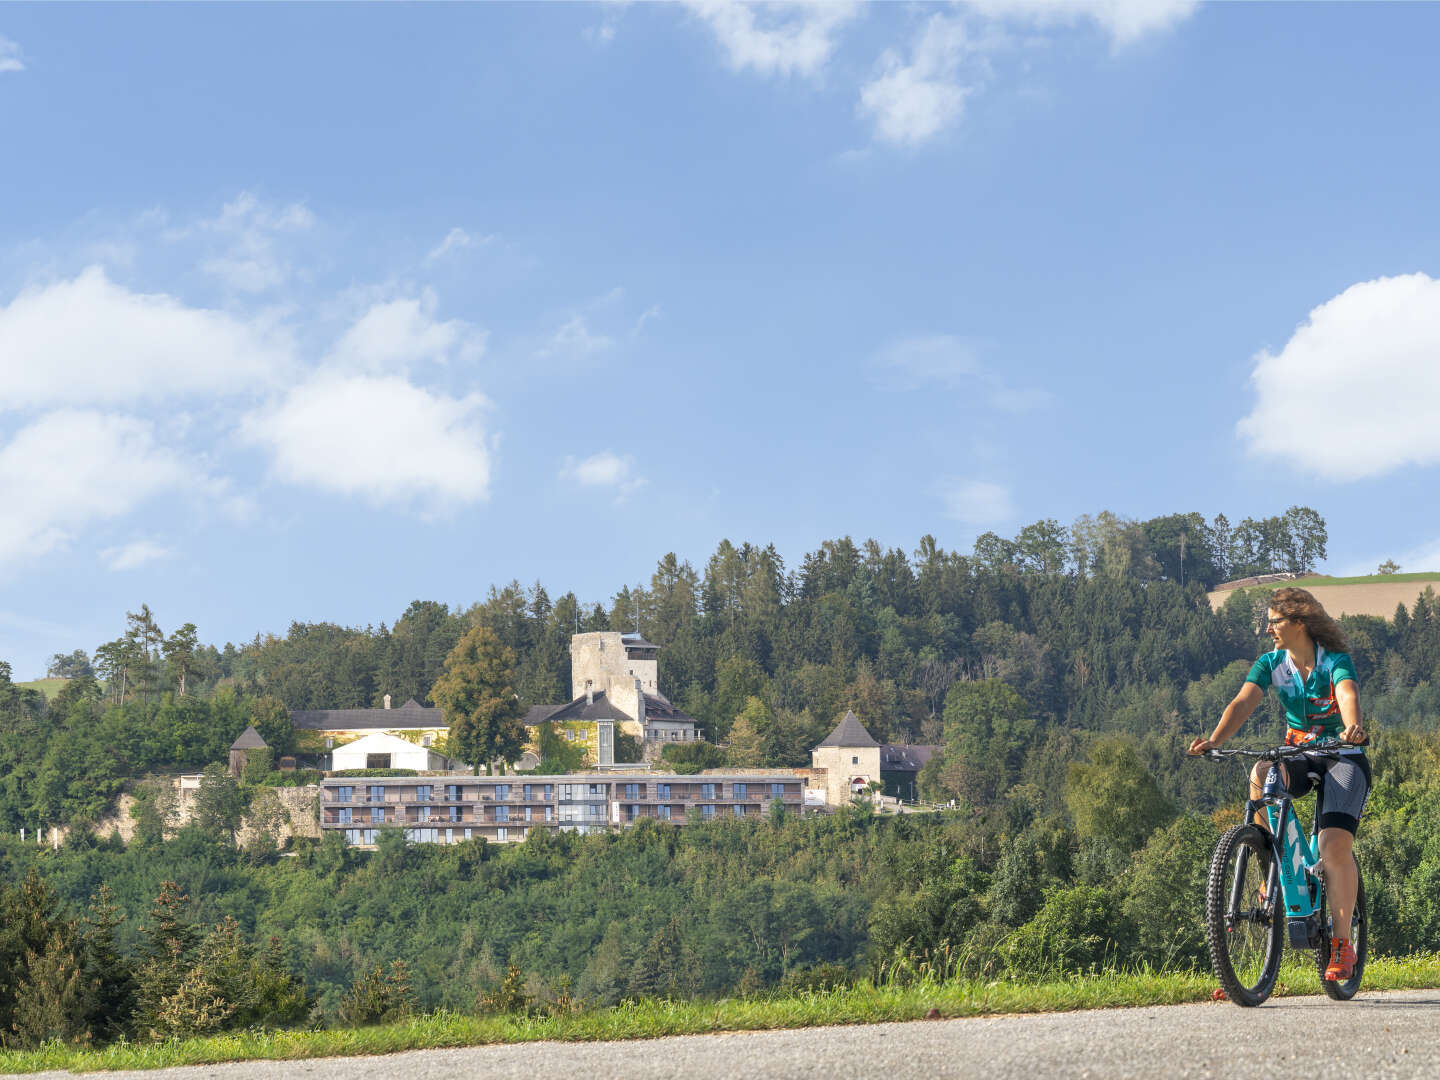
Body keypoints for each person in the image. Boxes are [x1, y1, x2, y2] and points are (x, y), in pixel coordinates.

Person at [1188, 587, 1369, 983]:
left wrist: (1352, 724)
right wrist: (1215, 740)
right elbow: (1242, 702)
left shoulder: (1333, 661)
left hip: (1343, 757)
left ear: (1299, 623)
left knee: (1333, 845)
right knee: (1260, 773)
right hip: (1298, 756)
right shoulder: (1271, 663)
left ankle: (1341, 944)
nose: (1268, 628)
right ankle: (1273, 864)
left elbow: (1346, 691)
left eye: (1275, 621)